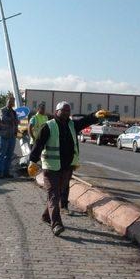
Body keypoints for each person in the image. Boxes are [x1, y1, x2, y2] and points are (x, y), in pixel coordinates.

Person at [28, 101, 108, 236]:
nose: (66, 113)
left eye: (68, 111)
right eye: (63, 110)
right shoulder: (48, 126)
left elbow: (85, 121)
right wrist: (32, 161)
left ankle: (47, 216)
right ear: (56, 112)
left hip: (66, 167)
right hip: (51, 167)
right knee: (53, 195)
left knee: (58, 193)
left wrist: (95, 115)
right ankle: (56, 224)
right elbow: (38, 144)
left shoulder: (72, 125)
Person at [0, 95, 18, 179]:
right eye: (10, 101)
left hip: (12, 136)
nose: (11, 102)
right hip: (3, 136)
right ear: (7, 101)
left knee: (9, 156)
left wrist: (16, 132)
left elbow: (16, 122)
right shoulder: (2, 110)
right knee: (1, 155)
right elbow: (3, 118)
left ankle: (6, 172)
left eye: (12, 101)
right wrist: (12, 119)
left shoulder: (14, 112)